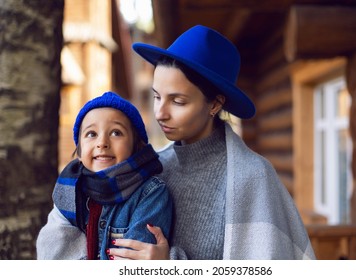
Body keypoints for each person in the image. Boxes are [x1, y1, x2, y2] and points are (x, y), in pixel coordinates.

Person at [106, 25, 316, 260]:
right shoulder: (154, 168)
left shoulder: (253, 177)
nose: (160, 113)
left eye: (178, 101)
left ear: (215, 105)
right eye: (157, 97)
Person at [36, 91, 173, 260]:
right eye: (91, 134)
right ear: (79, 150)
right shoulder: (69, 188)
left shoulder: (151, 193)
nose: (102, 143)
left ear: (136, 146)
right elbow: (52, 253)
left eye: (116, 133)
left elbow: (133, 262)